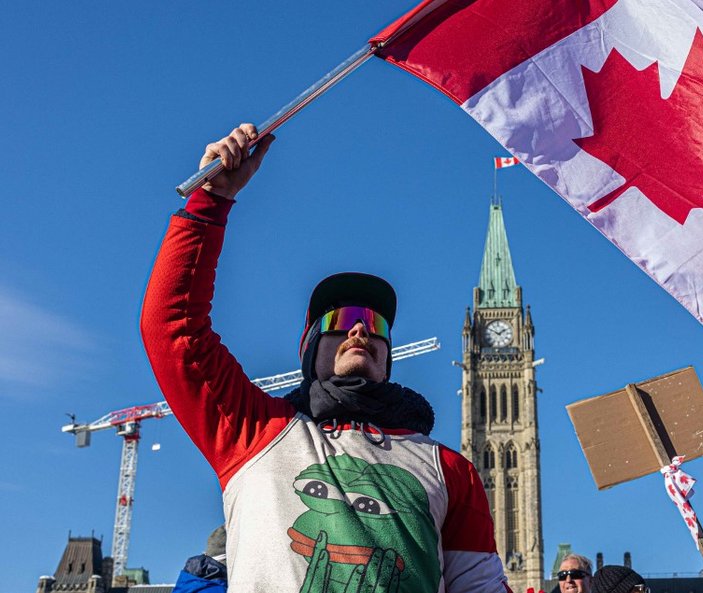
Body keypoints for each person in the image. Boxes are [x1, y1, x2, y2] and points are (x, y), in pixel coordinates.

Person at [141, 125, 509, 593]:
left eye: (376, 326)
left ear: (387, 355)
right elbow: (173, 329)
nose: (360, 328)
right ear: (309, 347)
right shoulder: (254, 430)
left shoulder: (450, 469)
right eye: (342, 318)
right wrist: (210, 200)